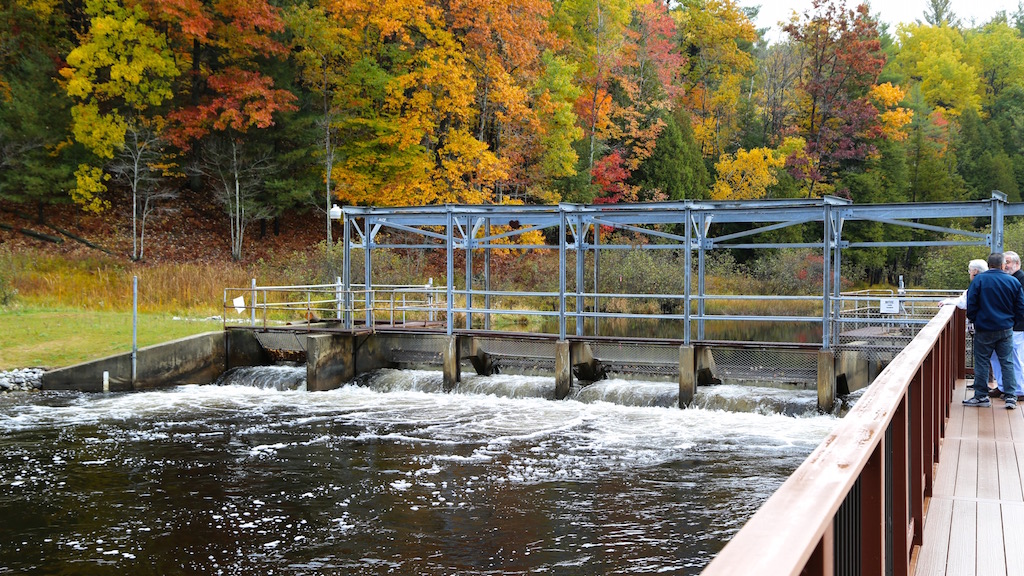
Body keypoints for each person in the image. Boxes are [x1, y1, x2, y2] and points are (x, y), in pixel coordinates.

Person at [965, 252, 1024, 408]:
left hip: (984, 328)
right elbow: (1020, 308)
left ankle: (981, 396)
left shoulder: (979, 280)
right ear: (1003, 265)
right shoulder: (1013, 282)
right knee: (1007, 362)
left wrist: (974, 320)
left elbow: (971, 304)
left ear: (989, 264)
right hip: (1005, 328)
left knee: (982, 362)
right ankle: (1011, 396)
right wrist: (1012, 322)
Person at [990, 250, 1024, 400]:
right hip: (1005, 325)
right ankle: (1003, 386)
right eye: (1004, 262)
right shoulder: (1007, 279)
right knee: (997, 356)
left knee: (1016, 358)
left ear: (1017, 264)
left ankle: (1020, 389)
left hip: (1017, 326)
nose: (1006, 266)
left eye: (1009, 262)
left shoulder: (1021, 279)